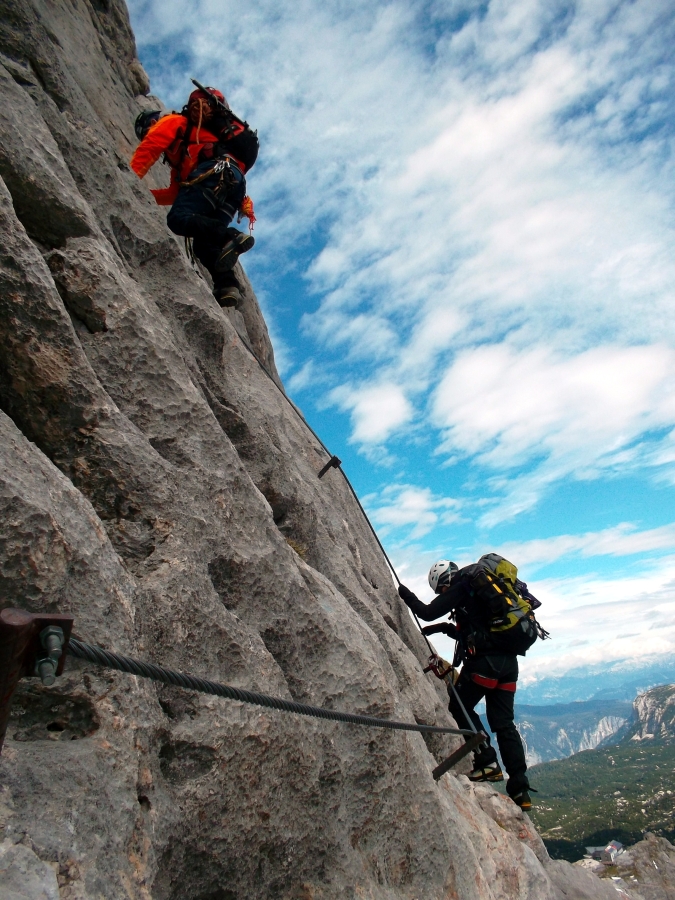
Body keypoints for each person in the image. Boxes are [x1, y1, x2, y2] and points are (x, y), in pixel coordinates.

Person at [398, 558, 533, 811]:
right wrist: (444, 629)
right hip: (508, 664)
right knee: (504, 725)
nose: (442, 595)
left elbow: (426, 612)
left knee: (459, 707)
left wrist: (403, 593)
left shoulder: (462, 584)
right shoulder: (482, 592)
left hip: (484, 664)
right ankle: (520, 789)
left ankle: (487, 761)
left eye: (440, 590)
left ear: (444, 580)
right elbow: (475, 628)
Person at [130, 85, 259, 308]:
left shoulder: (172, 122)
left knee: (178, 218)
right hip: (233, 187)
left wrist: (128, 177)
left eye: (146, 131)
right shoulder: (182, 159)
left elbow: (150, 146)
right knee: (202, 242)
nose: (148, 134)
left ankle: (229, 236)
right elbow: (175, 193)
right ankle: (227, 285)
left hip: (217, 172)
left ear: (150, 124)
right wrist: (145, 196)